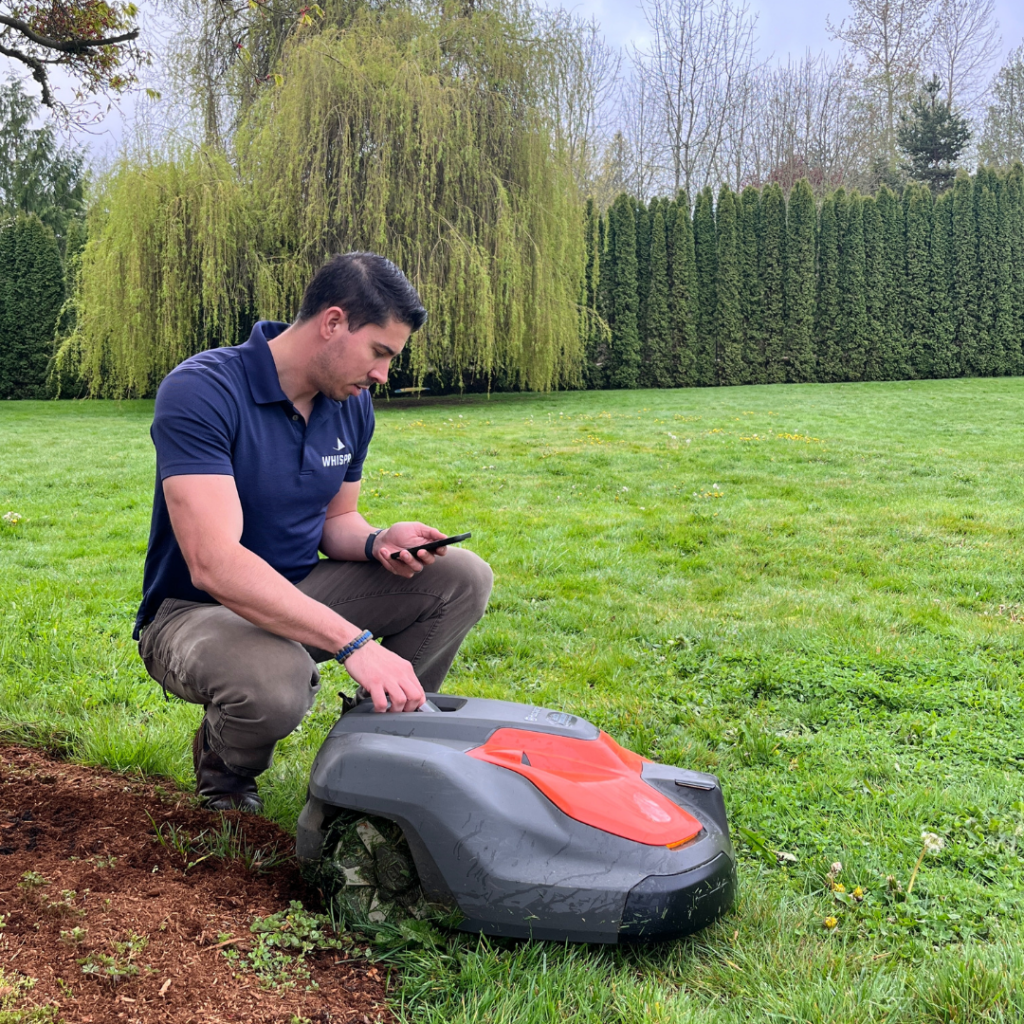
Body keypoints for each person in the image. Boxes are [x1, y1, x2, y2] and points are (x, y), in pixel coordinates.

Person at [134, 252, 493, 812]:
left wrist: (378, 541)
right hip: (193, 610)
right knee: (279, 679)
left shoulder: (351, 405)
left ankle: (378, 756)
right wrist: (355, 644)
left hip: (299, 587)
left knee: (460, 577)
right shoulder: (203, 391)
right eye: (379, 352)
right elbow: (214, 562)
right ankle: (227, 772)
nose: (382, 374)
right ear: (332, 323)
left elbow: (337, 521)